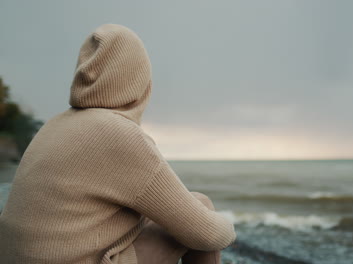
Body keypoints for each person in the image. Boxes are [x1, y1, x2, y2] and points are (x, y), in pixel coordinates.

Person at [0, 24, 236, 264]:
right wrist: (229, 228)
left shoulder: (53, 126)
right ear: (138, 81)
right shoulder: (117, 134)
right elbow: (206, 235)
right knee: (202, 207)